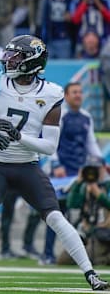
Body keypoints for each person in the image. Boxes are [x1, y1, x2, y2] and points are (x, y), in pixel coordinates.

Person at [0, 35, 108, 291]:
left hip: (28, 166)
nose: (8, 61)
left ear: (32, 62)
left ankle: (91, 275)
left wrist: (19, 137)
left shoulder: (51, 94)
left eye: (15, 57)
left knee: (56, 218)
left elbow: (49, 146)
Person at [41, 81, 105, 264]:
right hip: (62, 173)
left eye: (80, 92)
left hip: (79, 173)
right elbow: (50, 141)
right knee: (56, 213)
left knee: (81, 213)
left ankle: (76, 253)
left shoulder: (86, 117)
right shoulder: (61, 116)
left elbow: (90, 143)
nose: (78, 95)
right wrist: (56, 164)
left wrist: (100, 162)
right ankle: (47, 254)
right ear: (66, 96)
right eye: (74, 92)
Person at [58, 158, 110, 266]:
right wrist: (78, 181)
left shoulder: (107, 185)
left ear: (104, 169)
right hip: (86, 231)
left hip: (104, 233)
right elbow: (72, 204)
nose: (93, 172)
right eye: (90, 169)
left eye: (96, 169)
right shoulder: (83, 186)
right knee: (64, 260)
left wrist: (99, 195)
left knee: (95, 260)